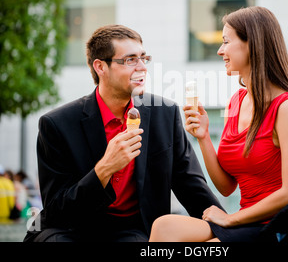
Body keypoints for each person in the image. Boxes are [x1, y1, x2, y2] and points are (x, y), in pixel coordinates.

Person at [24, 24, 222, 242]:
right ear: (100, 67)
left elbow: (191, 186)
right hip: (71, 228)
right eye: (130, 60)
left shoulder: (165, 114)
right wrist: (103, 169)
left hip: (132, 229)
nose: (142, 68)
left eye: (143, 58)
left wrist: (230, 228)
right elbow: (56, 210)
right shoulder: (57, 124)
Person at [149, 6, 288, 242]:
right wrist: (203, 137)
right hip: (246, 223)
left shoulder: (287, 107)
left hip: (279, 226)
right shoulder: (236, 101)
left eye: (226, 41)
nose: (220, 50)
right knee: (164, 227)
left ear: (252, 44)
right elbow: (227, 187)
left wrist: (231, 219)